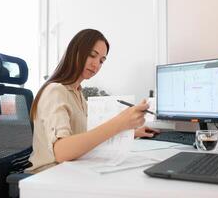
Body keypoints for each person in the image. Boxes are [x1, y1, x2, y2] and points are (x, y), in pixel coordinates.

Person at [26, 29, 158, 173]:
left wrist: (130, 130)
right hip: (49, 176)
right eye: (92, 55)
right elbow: (61, 152)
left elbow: (88, 134)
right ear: (75, 52)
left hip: (70, 170)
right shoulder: (55, 91)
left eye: (101, 61)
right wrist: (120, 123)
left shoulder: (77, 93)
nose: (96, 65)